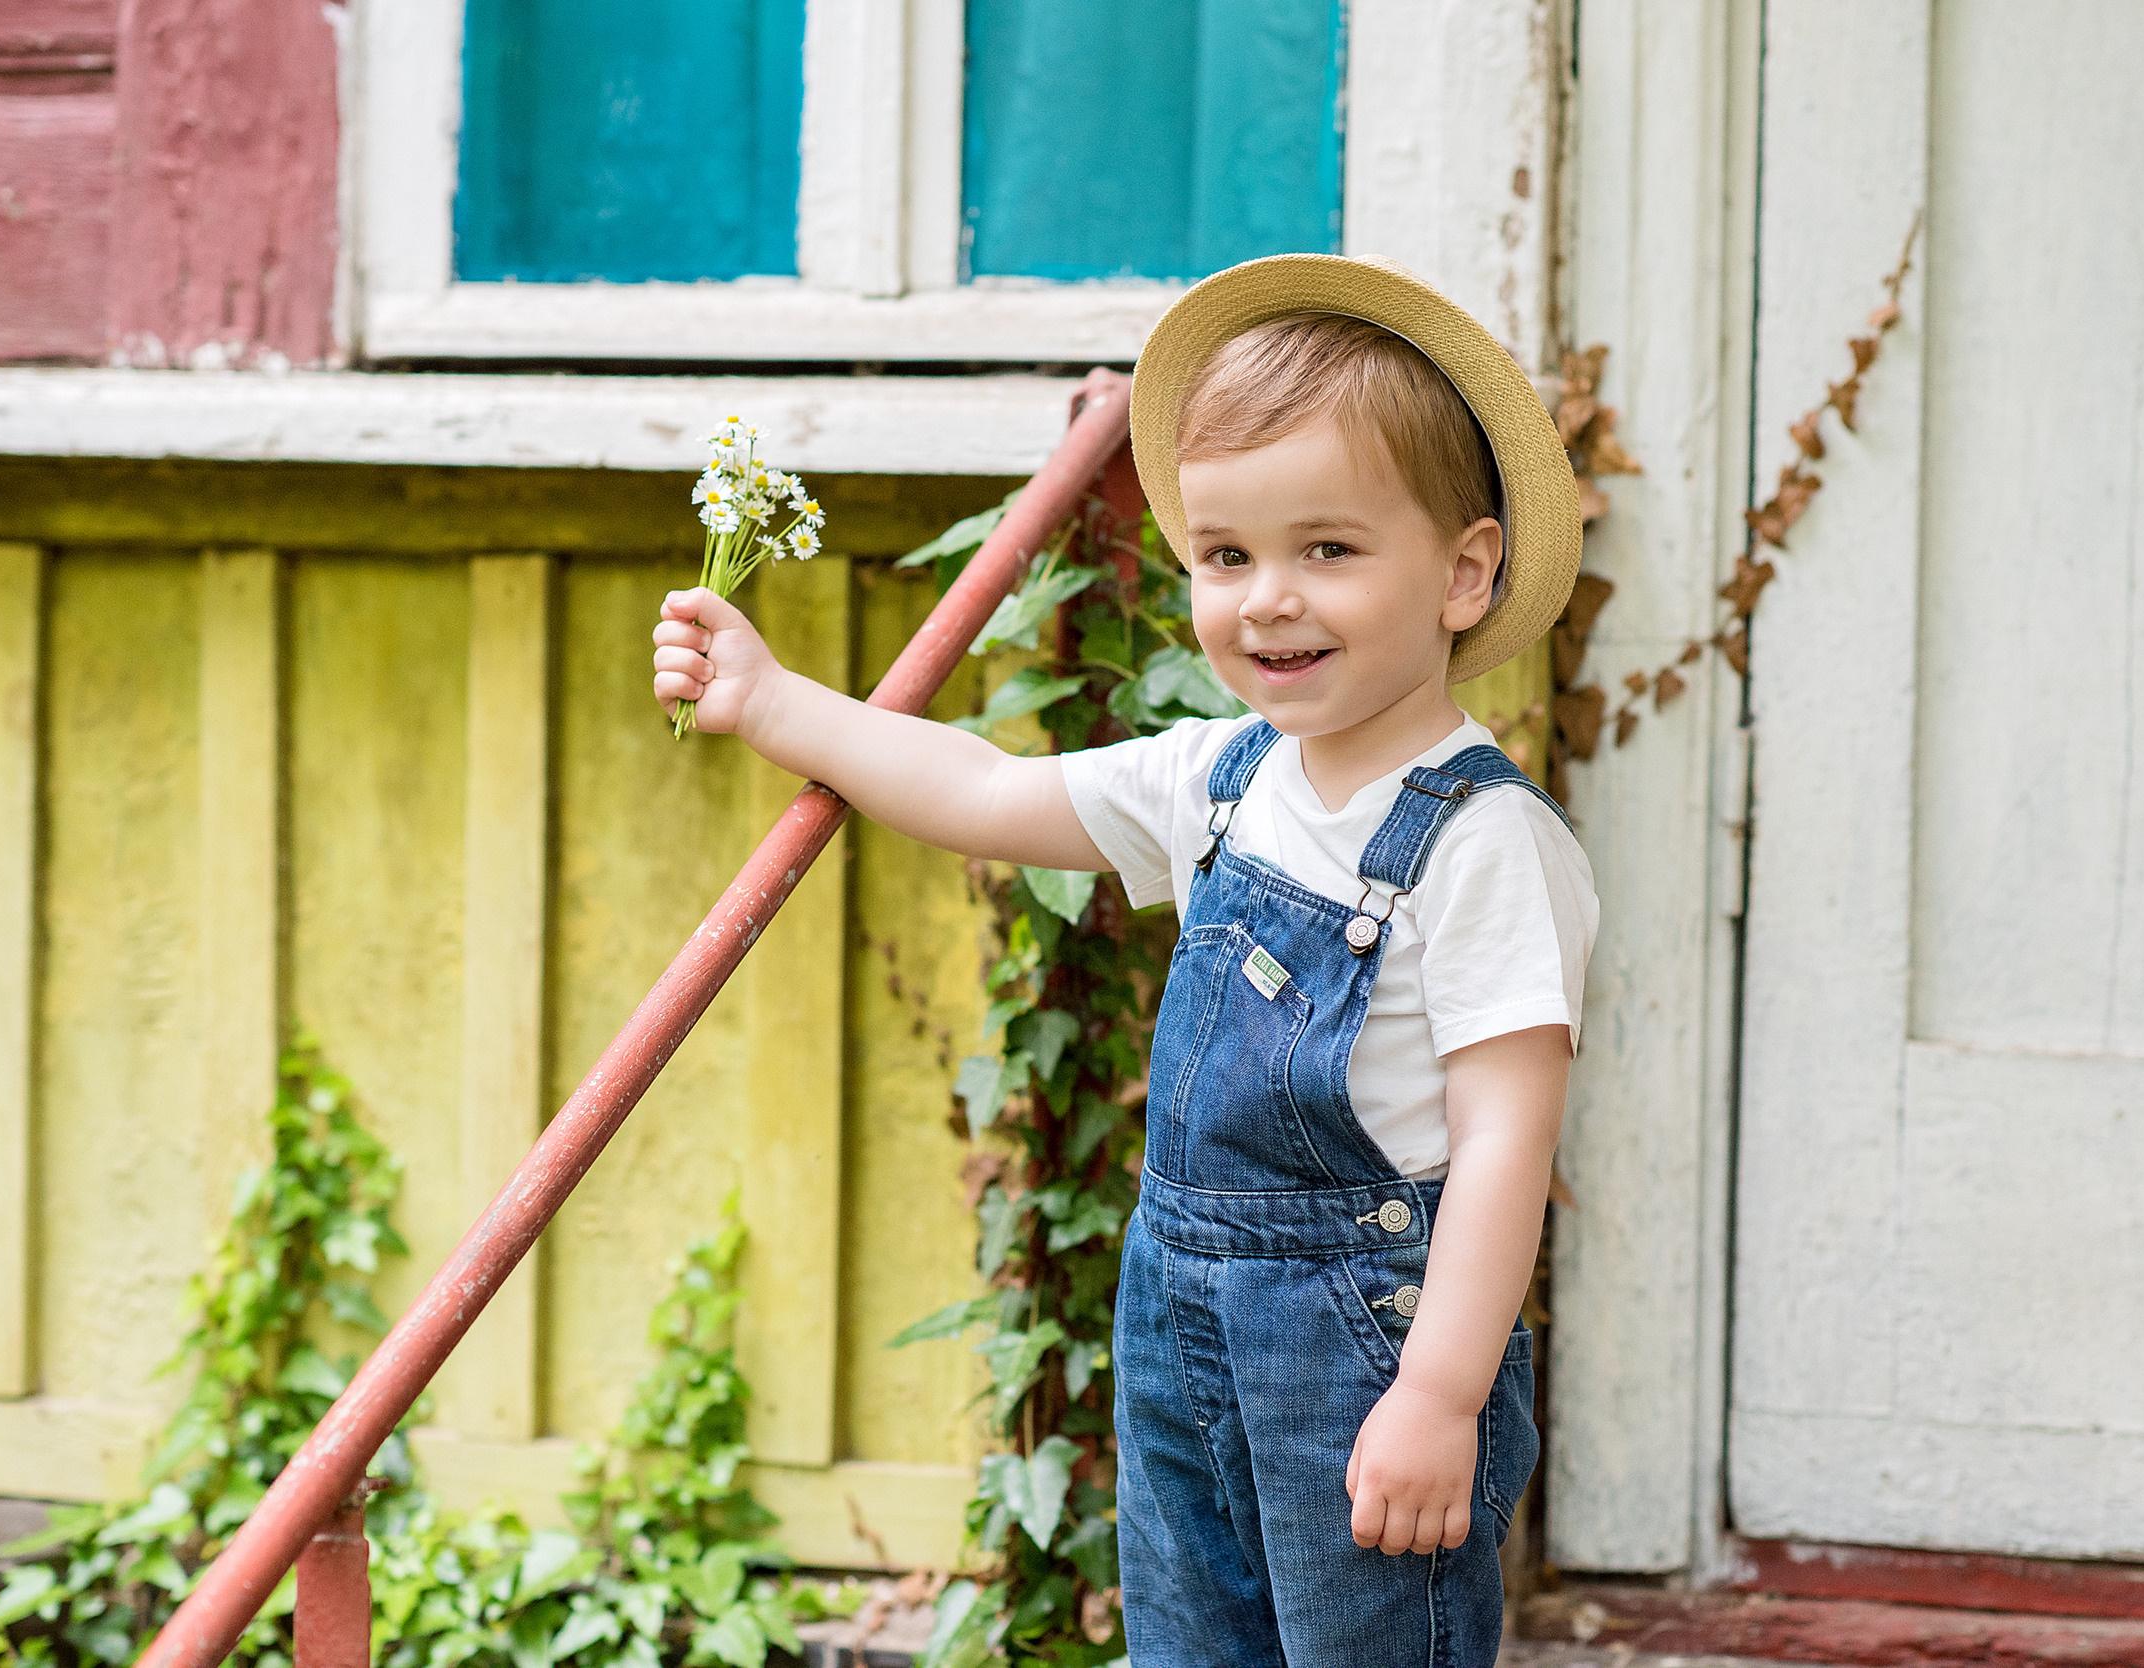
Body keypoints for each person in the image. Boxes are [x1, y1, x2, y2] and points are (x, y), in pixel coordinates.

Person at [651, 255, 1598, 1668]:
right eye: (1227, 557)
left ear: (1465, 571)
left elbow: (1506, 1139)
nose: (1268, 600)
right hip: (1180, 1335)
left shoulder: (1482, 845)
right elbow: (983, 792)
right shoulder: (1218, 778)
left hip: (1366, 1361)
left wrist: (1443, 1394)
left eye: (1328, 550)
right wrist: (774, 702)